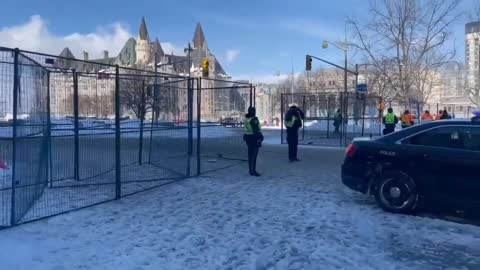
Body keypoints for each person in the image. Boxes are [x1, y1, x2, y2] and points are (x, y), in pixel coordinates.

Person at [243, 107, 263, 177]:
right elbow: (256, 129)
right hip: (254, 138)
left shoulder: (246, 119)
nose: (255, 112)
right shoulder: (254, 119)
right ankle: (253, 171)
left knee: (250, 155)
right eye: (254, 111)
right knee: (254, 155)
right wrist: (260, 137)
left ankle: (251, 170)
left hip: (248, 138)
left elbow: (247, 128)